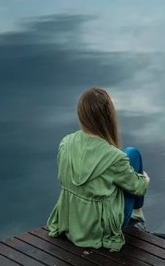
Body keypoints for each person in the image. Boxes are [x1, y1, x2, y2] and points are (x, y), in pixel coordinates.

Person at [47, 87, 150, 252]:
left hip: (72, 221)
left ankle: (135, 213)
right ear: (109, 116)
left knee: (126, 159)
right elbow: (139, 188)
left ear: (81, 115)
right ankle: (136, 214)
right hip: (99, 229)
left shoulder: (66, 143)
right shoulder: (114, 157)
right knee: (132, 153)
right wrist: (145, 179)